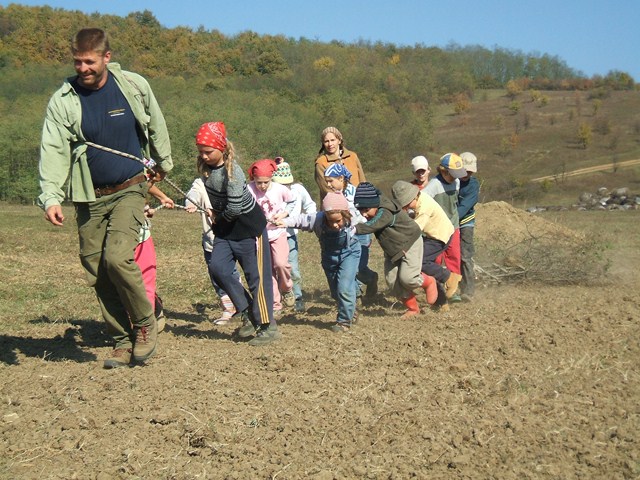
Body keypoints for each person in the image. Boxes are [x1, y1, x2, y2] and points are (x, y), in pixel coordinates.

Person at [37, 28, 173, 369]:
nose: (83, 68)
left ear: (106, 58)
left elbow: (156, 123)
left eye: (89, 61)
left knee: (116, 257)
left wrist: (164, 164)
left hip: (129, 186)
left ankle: (144, 324)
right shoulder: (63, 100)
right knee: (96, 270)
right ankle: (120, 341)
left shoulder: (133, 86)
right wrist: (51, 196)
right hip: (88, 196)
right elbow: (53, 149)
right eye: (77, 61)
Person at [197, 121, 281, 346]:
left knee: (256, 277)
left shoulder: (234, 173)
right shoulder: (206, 170)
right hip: (226, 228)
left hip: (247, 227)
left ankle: (267, 325)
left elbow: (234, 208)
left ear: (221, 149)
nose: (203, 156)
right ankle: (247, 313)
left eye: (208, 152)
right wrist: (213, 211)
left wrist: (218, 216)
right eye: (201, 152)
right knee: (218, 268)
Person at [278, 192, 361, 332]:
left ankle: (344, 321)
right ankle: (351, 310)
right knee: (336, 291)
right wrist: (284, 222)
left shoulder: (353, 217)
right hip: (329, 257)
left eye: (338, 221)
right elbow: (300, 219)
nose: (335, 225)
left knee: (345, 287)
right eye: (331, 221)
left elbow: (370, 221)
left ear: (346, 214)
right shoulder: (317, 219)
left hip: (350, 253)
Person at [353, 182, 437, 318]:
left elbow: (374, 225)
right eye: (360, 210)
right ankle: (413, 309)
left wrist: (354, 229)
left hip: (410, 242)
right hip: (393, 249)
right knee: (392, 281)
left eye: (366, 209)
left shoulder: (385, 212)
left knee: (408, 279)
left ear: (374, 204)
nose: (363, 214)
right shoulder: (375, 209)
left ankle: (428, 281)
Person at [184, 160, 242, 326]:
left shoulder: (231, 180)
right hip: (212, 240)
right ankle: (229, 307)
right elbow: (193, 193)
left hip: (235, 237)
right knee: (217, 274)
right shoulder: (200, 183)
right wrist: (191, 203)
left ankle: (243, 305)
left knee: (231, 273)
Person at [391, 180, 455, 312]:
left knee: (420, 261)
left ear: (413, 197)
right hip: (433, 235)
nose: (407, 207)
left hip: (440, 236)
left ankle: (448, 277)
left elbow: (414, 230)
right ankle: (441, 302)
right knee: (425, 267)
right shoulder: (420, 199)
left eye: (407, 204)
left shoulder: (424, 208)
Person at [323, 163, 379, 301]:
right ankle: (355, 297)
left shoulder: (355, 193)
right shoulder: (332, 196)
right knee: (347, 266)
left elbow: (364, 215)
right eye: (327, 182)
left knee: (359, 268)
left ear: (341, 178)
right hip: (344, 235)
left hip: (361, 234)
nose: (329, 184)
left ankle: (371, 278)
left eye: (331, 181)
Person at [247, 158, 295, 317]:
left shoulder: (280, 189)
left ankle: (287, 288)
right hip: (259, 236)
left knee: (281, 264)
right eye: (258, 182)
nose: (262, 186)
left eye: (265, 182)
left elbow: (293, 202)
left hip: (278, 232)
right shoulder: (249, 189)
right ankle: (275, 304)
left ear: (271, 178)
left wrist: (284, 214)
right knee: (266, 271)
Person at [272, 159, 317, 313]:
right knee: (275, 267)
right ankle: (277, 299)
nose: (284, 187)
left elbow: (310, 205)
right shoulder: (270, 191)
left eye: (287, 183)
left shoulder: (298, 190)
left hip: (290, 235)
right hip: (272, 235)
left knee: (292, 267)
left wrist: (310, 220)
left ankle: (297, 298)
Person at [424, 153, 466, 301]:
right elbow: (423, 202)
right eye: (453, 174)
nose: (456, 177)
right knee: (436, 259)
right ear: (443, 171)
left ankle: (454, 288)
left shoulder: (457, 182)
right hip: (437, 229)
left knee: (454, 256)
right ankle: (437, 289)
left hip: (453, 225)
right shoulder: (434, 185)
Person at [136, 184, 175, 333]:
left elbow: (146, 177)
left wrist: (162, 197)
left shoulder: (140, 165)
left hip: (140, 237)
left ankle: (146, 323)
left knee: (145, 278)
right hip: (112, 236)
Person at [314, 126, 366, 202]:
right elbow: (327, 189)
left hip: (358, 204)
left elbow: (362, 181)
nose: (330, 144)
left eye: (333, 140)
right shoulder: (321, 162)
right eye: (326, 141)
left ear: (339, 140)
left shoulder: (352, 156)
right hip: (335, 207)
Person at [458, 152, 480, 302]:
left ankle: (468, 291)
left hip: (465, 221)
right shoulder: (450, 181)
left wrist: (448, 220)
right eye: (465, 169)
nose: (468, 173)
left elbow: (465, 207)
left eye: (470, 170)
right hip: (447, 221)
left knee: (465, 256)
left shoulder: (473, 185)